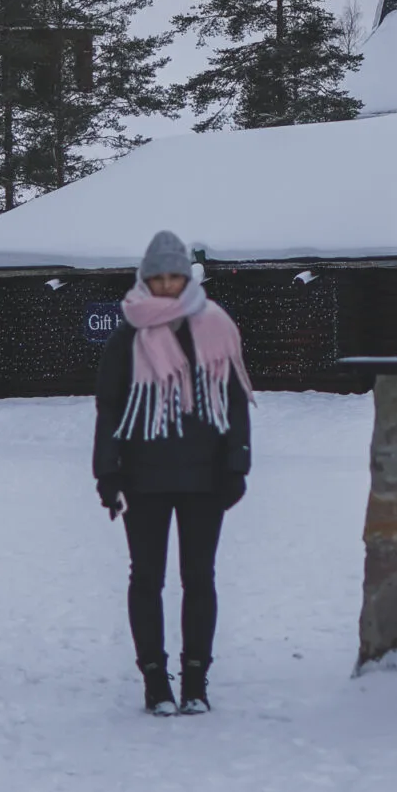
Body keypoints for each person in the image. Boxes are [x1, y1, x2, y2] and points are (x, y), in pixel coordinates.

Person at [93, 230, 253, 716]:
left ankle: (197, 681)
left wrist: (237, 464)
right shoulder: (128, 334)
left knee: (199, 578)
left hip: (205, 478)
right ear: (145, 278)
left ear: (187, 277)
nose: (165, 284)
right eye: (157, 277)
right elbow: (111, 408)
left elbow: (234, 399)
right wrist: (107, 471)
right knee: (146, 578)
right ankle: (155, 681)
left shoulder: (216, 325)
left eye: (174, 276)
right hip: (144, 478)